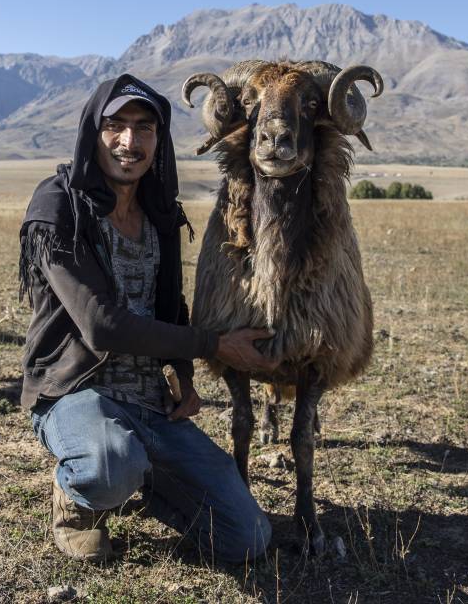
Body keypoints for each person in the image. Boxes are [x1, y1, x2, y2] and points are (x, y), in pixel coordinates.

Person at [18, 74, 279, 564]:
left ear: (159, 141)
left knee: (247, 539)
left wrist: (181, 376)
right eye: (115, 125)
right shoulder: (59, 205)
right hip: (77, 392)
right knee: (108, 464)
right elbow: (101, 324)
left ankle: (143, 481)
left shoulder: (159, 211)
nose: (129, 141)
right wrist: (213, 345)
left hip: (150, 401)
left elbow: (169, 308)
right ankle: (79, 500)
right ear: (93, 131)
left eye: (144, 128)